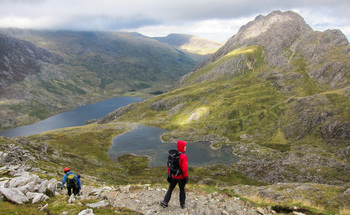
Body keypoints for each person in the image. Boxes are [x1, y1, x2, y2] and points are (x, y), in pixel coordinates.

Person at [160, 140, 188, 209]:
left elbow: (168, 165)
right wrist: (186, 177)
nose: (186, 147)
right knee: (182, 190)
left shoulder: (173, 155)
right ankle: (182, 205)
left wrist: (169, 174)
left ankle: (165, 202)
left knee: (170, 188)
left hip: (173, 176)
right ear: (181, 147)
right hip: (181, 177)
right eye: (184, 146)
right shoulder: (183, 157)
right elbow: (184, 168)